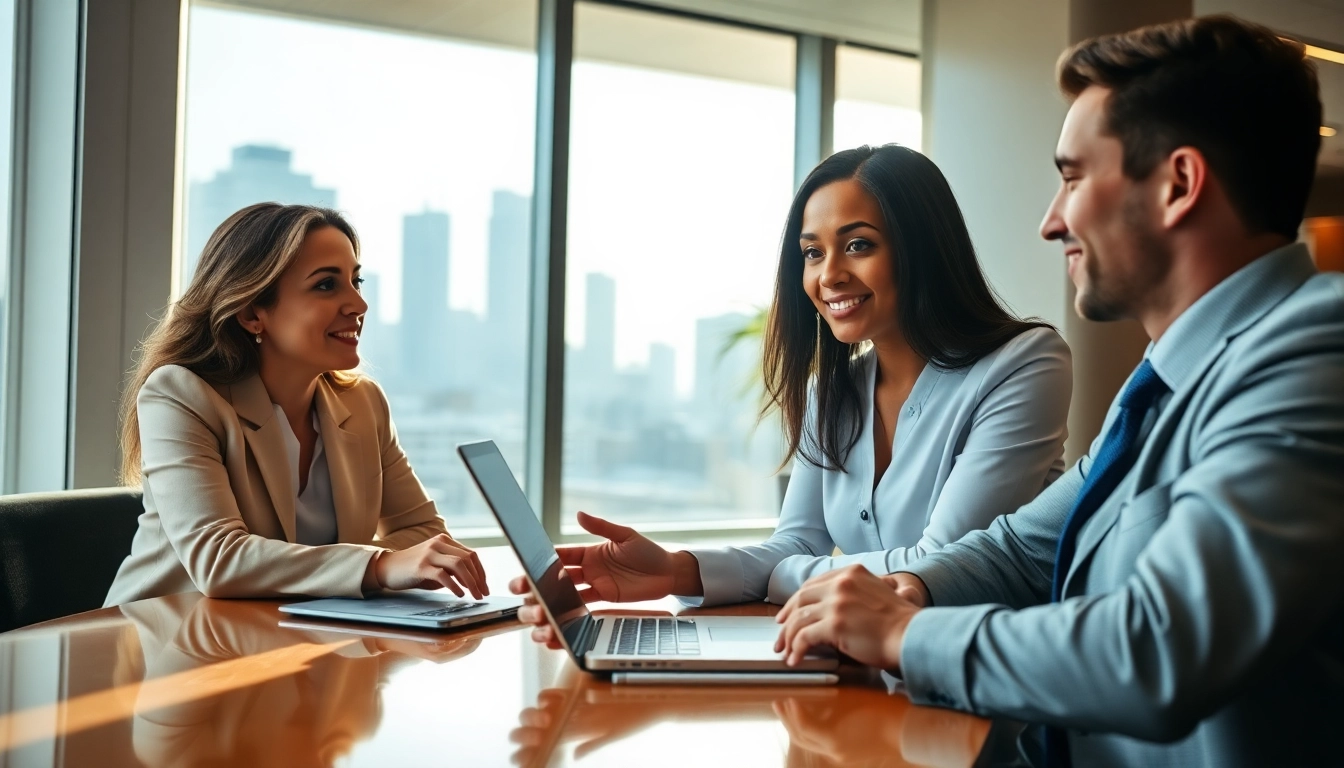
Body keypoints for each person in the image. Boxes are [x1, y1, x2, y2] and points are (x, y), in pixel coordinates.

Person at [774, 15, 1344, 767]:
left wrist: (903, 633)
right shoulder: (1168, 381)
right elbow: (1019, 549)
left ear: (1179, 184)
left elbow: (1160, 647)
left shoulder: (1313, 350)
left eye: (1072, 177)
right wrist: (908, 588)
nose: (1050, 221)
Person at [511, 144, 1073, 618]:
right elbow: (796, 542)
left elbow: (941, 570)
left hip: (977, 681)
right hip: (858, 664)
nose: (829, 275)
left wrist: (784, 576)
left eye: (858, 245)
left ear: (922, 250)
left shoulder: (1023, 365)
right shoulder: (831, 394)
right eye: (812, 252)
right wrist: (674, 570)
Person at [105, 203, 488, 606]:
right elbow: (218, 560)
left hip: (294, 641)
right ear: (253, 313)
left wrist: (390, 563)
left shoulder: (363, 402)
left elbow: (424, 531)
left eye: (356, 281)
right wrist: (378, 566)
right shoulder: (181, 396)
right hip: (163, 645)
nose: (358, 305)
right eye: (326, 285)